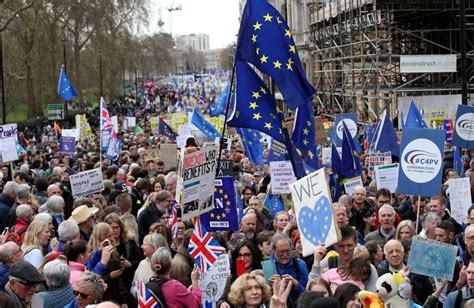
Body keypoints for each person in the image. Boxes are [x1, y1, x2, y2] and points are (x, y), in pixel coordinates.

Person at [218, 241, 264, 308]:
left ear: (254, 256)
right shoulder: (232, 278)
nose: (243, 258)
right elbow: (222, 299)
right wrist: (221, 303)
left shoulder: (262, 275)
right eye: (240, 255)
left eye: (247, 255)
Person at [270, 233, 308, 303]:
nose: (285, 255)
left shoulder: (300, 265)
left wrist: (295, 284)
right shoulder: (268, 265)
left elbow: (307, 294)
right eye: (281, 252)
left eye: (287, 251)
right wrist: (273, 286)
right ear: (273, 250)